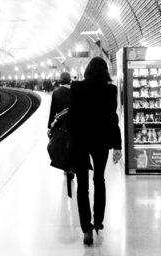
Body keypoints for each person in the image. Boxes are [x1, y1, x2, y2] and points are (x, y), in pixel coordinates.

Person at [66, 57, 122, 246]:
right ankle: (98, 220)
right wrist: (117, 145)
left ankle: (86, 228)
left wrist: (70, 141)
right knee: (99, 179)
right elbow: (112, 118)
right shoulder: (110, 90)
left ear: (88, 71)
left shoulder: (76, 88)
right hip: (101, 141)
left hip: (81, 141)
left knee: (82, 185)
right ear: (105, 71)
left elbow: (71, 117)